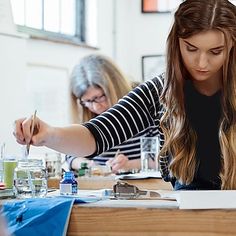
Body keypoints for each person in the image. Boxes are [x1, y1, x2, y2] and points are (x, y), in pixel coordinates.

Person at [14, 0, 236, 190]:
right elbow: (97, 135)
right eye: (191, 49)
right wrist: (50, 134)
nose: (202, 63)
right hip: (186, 216)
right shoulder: (158, 92)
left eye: (215, 52)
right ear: (176, 44)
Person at [66, 54, 156, 173]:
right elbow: (71, 156)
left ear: (114, 87)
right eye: (88, 101)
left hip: (146, 184)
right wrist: (88, 165)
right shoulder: (84, 112)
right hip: (101, 185)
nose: (96, 107)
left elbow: (166, 157)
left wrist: (129, 164)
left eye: (100, 97)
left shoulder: (144, 101)